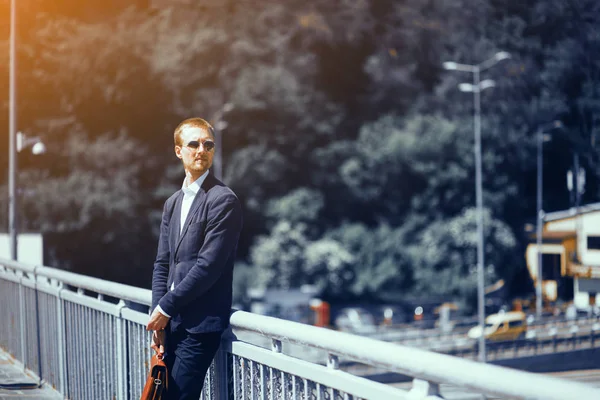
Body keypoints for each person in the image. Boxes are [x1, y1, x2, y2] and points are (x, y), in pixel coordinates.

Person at [146, 117, 243, 399]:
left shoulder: (223, 200)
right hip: (172, 322)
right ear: (179, 151)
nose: (202, 149)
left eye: (208, 144)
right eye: (193, 144)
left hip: (200, 327)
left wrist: (165, 308)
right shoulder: (173, 202)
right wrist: (158, 317)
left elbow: (208, 267)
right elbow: (162, 264)